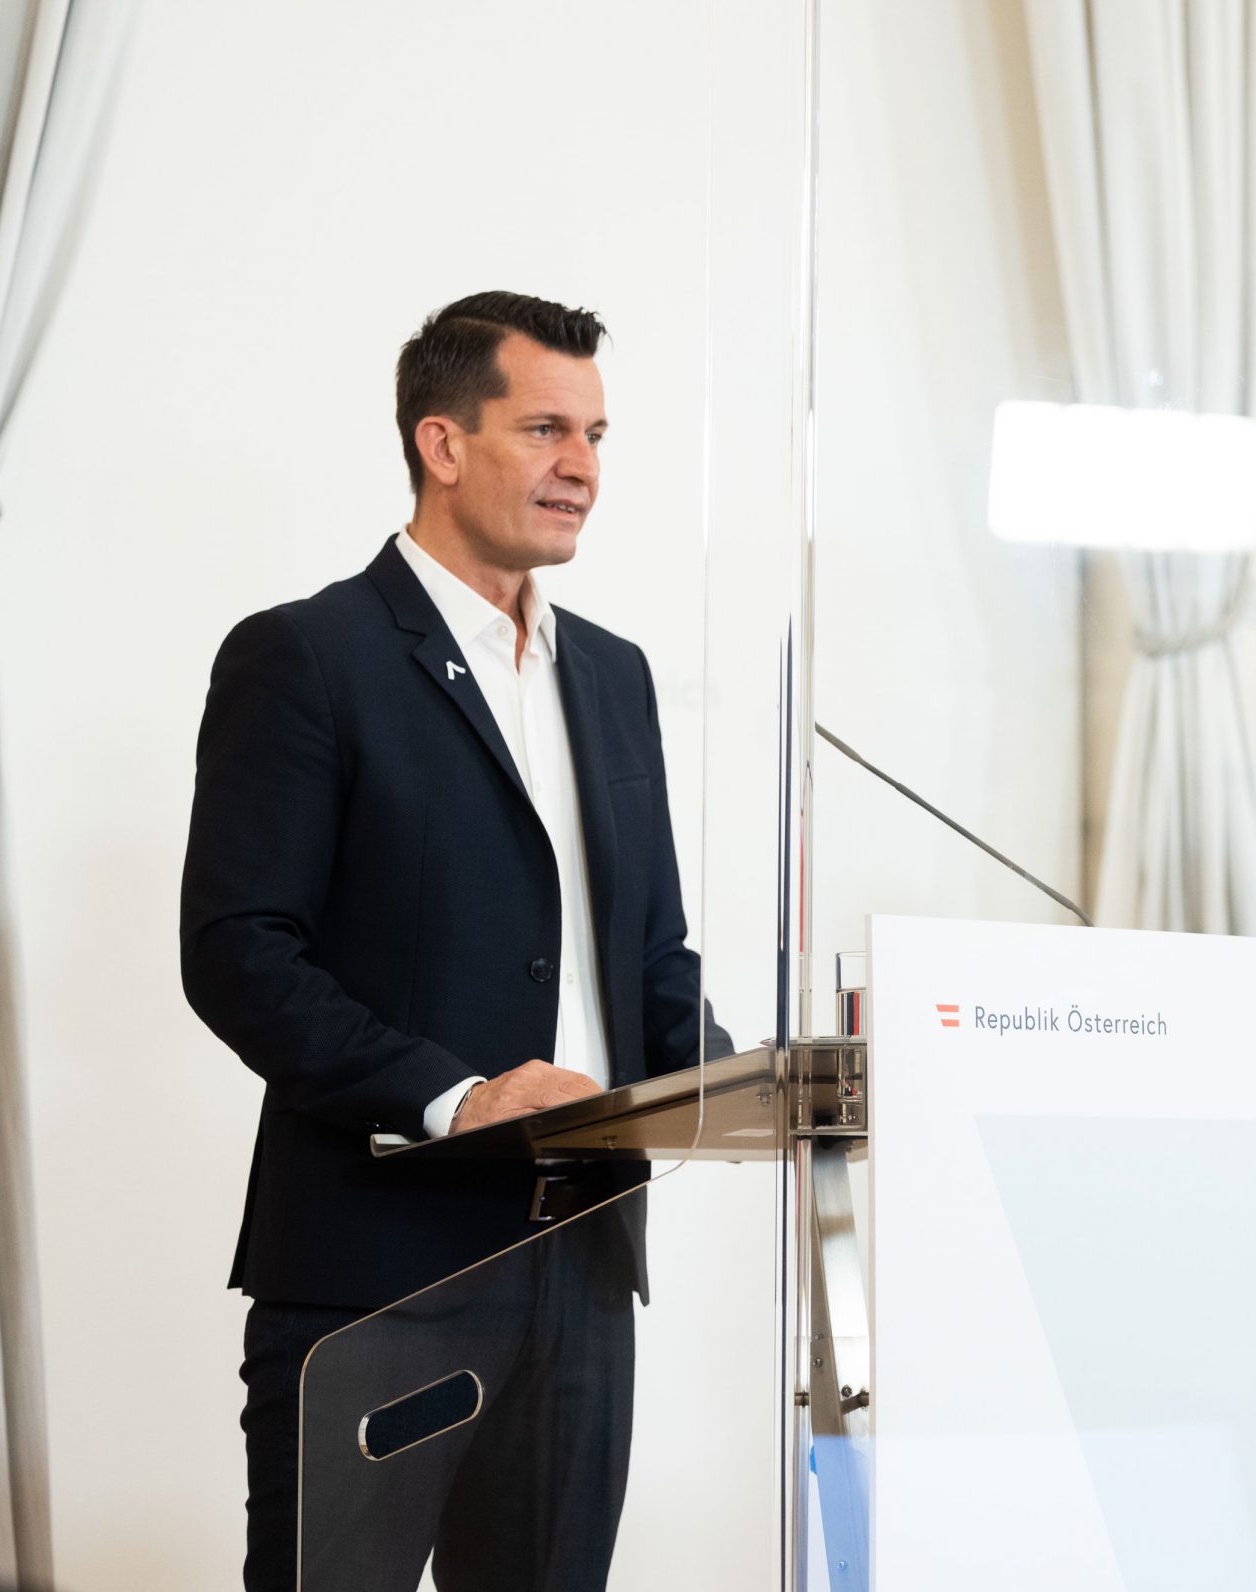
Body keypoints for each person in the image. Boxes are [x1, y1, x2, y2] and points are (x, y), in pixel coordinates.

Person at [181, 291, 725, 1592]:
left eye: (596, 434)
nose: (582, 465)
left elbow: (646, 952)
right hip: (380, 1271)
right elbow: (240, 950)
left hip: (582, 1269)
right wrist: (460, 1096)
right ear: (441, 442)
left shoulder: (614, 675)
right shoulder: (307, 656)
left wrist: (733, 1077)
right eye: (545, 428)